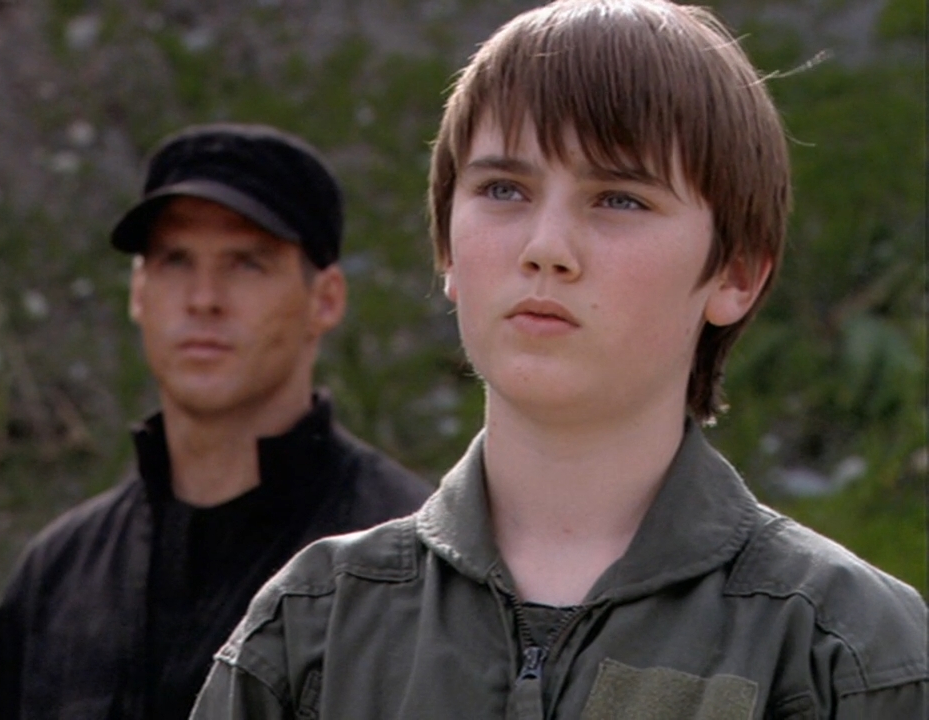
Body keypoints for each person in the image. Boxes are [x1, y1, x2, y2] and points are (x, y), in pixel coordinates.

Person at [190, 2, 928, 718]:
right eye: (503, 189)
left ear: (736, 274)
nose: (545, 248)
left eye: (619, 199)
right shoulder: (313, 634)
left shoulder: (844, 654)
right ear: (447, 249)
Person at [0, 123, 432, 720]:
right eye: (175, 260)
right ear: (138, 293)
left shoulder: (409, 571)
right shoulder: (58, 579)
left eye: (246, 263)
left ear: (326, 299)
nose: (204, 298)